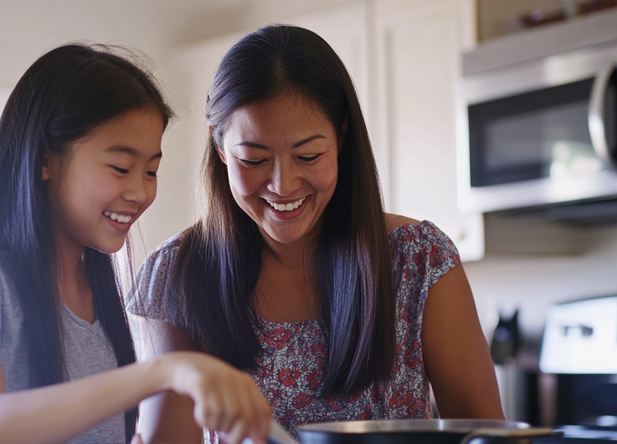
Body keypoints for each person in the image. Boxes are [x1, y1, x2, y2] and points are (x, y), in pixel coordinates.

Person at [126, 25, 504, 442]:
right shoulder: (176, 275)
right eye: (254, 160)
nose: (283, 185)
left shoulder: (420, 261)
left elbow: (485, 435)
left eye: (308, 155)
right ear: (220, 151)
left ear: (341, 139)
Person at [0, 43, 272, 444]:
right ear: (44, 158)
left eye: (150, 170)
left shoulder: (95, 293)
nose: (139, 191)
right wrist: (163, 371)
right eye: (120, 167)